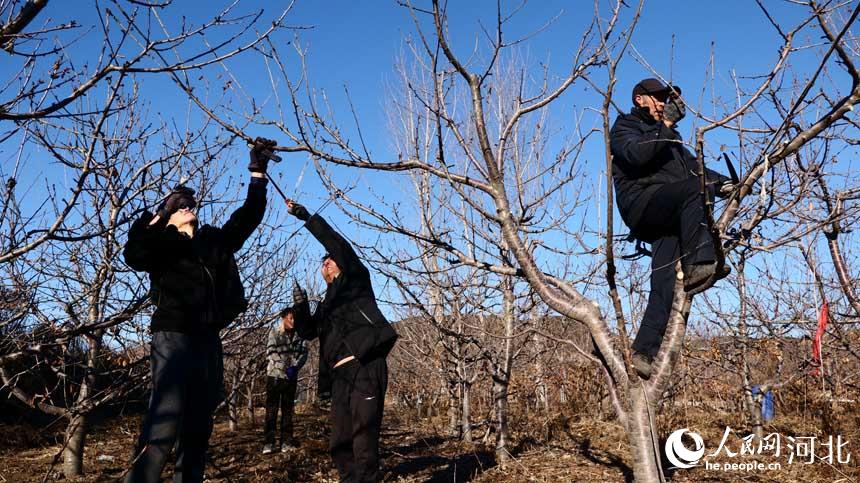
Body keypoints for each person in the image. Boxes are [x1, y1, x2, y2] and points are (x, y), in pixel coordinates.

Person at [122, 137, 277, 483]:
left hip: (208, 340)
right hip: (173, 337)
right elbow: (134, 253)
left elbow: (248, 218)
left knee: (198, 428)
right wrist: (163, 211)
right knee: (165, 421)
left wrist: (257, 172)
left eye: (189, 204)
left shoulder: (212, 242)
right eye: (180, 207)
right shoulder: (162, 245)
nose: (187, 207)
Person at [610, 78, 732, 379]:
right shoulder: (625, 127)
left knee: (663, 281)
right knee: (696, 190)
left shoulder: (671, 140)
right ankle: (699, 264)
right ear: (640, 99)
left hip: (669, 212)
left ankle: (642, 352)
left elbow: (696, 171)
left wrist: (727, 184)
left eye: (667, 99)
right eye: (658, 97)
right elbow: (637, 154)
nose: (664, 103)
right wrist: (664, 125)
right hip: (642, 204)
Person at [286, 201, 398, 483]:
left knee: (364, 444)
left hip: (365, 368)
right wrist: (300, 307)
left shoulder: (356, 282)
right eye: (323, 262)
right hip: (339, 379)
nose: (327, 261)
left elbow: (341, 247)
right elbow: (308, 332)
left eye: (330, 258)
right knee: (340, 444)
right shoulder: (326, 304)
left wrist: (307, 217)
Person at [262, 305, 308, 454]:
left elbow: (304, 354)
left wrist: (295, 367)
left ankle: (286, 442)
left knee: (288, 410)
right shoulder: (274, 332)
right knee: (272, 410)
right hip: (275, 376)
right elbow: (271, 352)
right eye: (291, 318)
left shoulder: (299, 336)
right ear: (284, 318)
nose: (293, 321)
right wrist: (284, 366)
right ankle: (268, 443)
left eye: (295, 318)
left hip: (291, 377)